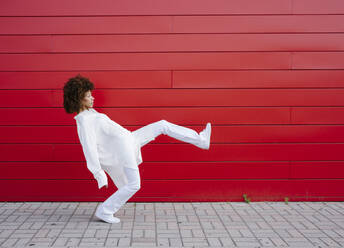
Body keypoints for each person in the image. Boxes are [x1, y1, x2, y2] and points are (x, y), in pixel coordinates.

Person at [63, 74, 212, 224]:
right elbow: (89, 148)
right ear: (79, 99)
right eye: (88, 96)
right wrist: (99, 174)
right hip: (123, 150)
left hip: (130, 139)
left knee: (162, 124)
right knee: (134, 184)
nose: (93, 98)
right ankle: (105, 211)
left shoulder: (91, 113)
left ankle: (201, 140)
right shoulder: (84, 121)